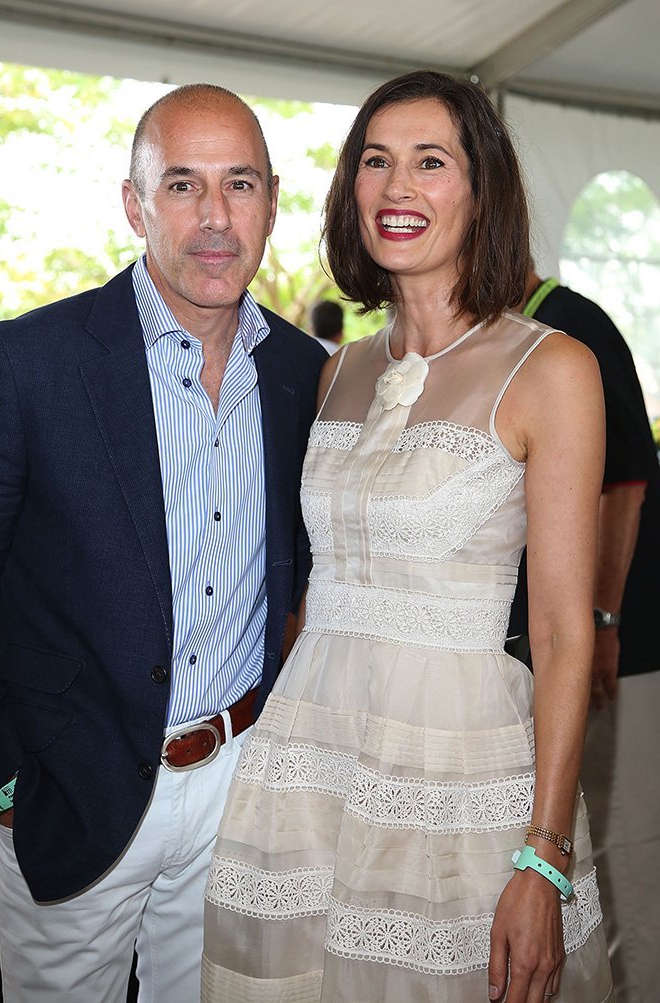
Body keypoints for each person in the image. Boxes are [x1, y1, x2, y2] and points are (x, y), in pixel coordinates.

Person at [202, 70, 613, 1002]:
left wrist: (543, 856)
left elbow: (560, 632)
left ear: (482, 188)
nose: (397, 188)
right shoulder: (336, 370)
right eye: (376, 162)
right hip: (309, 764)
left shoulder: (553, 369)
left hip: (457, 774)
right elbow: (314, 592)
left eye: (431, 162)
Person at [0, 83, 326, 1003]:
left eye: (239, 185)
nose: (215, 218)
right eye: (183, 185)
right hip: (72, 790)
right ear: (134, 204)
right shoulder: (29, 363)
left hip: (237, 779)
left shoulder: (304, 377)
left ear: (272, 201)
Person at [509, 271, 660, 1002]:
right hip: (569, 639)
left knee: (623, 843)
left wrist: (603, 621)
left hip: (621, 641)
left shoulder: (571, 324)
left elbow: (627, 480)